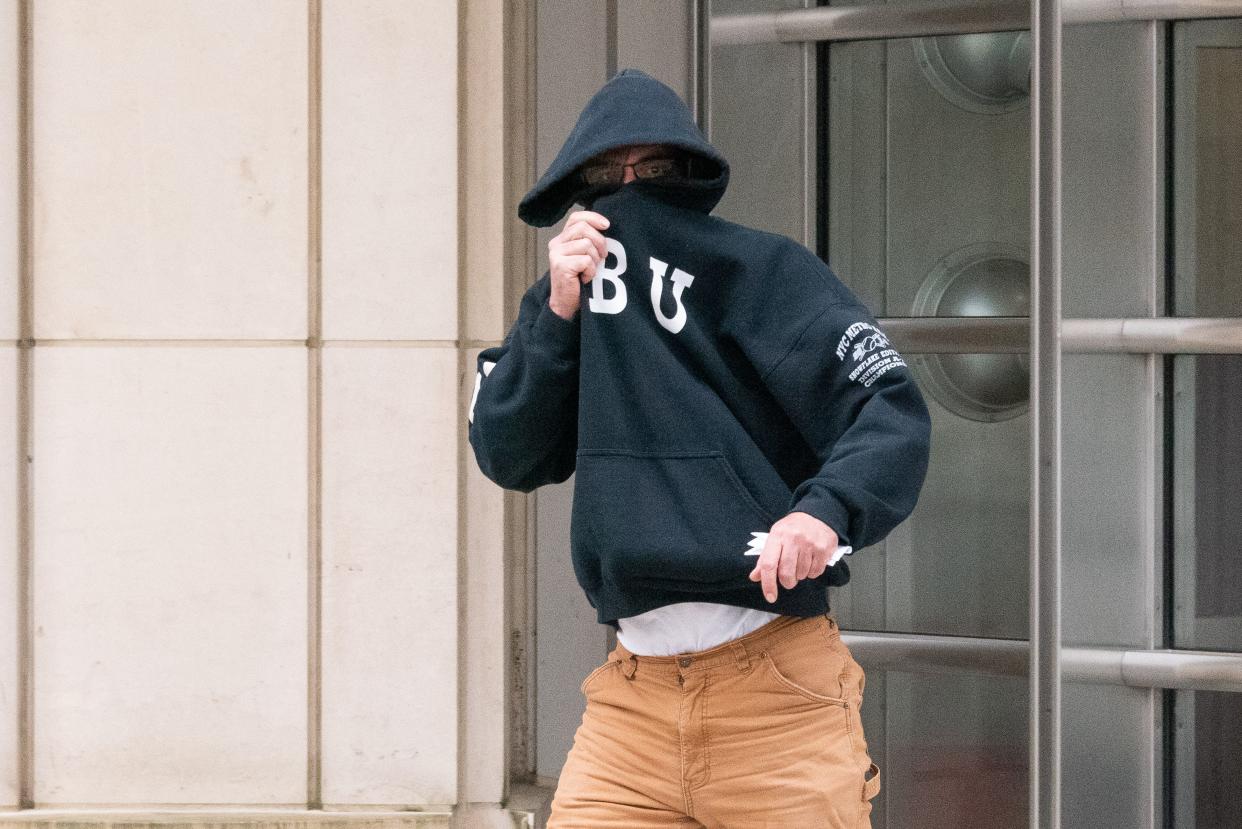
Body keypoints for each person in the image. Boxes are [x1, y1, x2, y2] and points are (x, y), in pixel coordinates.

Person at [468, 68, 931, 828]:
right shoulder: (566, 296)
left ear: (688, 172)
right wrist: (555, 315)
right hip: (631, 704)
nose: (630, 193)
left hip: (776, 697)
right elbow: (509, 452)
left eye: (652, 171)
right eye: (606, 177)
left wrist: (824, 512)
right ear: (576, 188)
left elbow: (890, 406)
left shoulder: (759, 271)